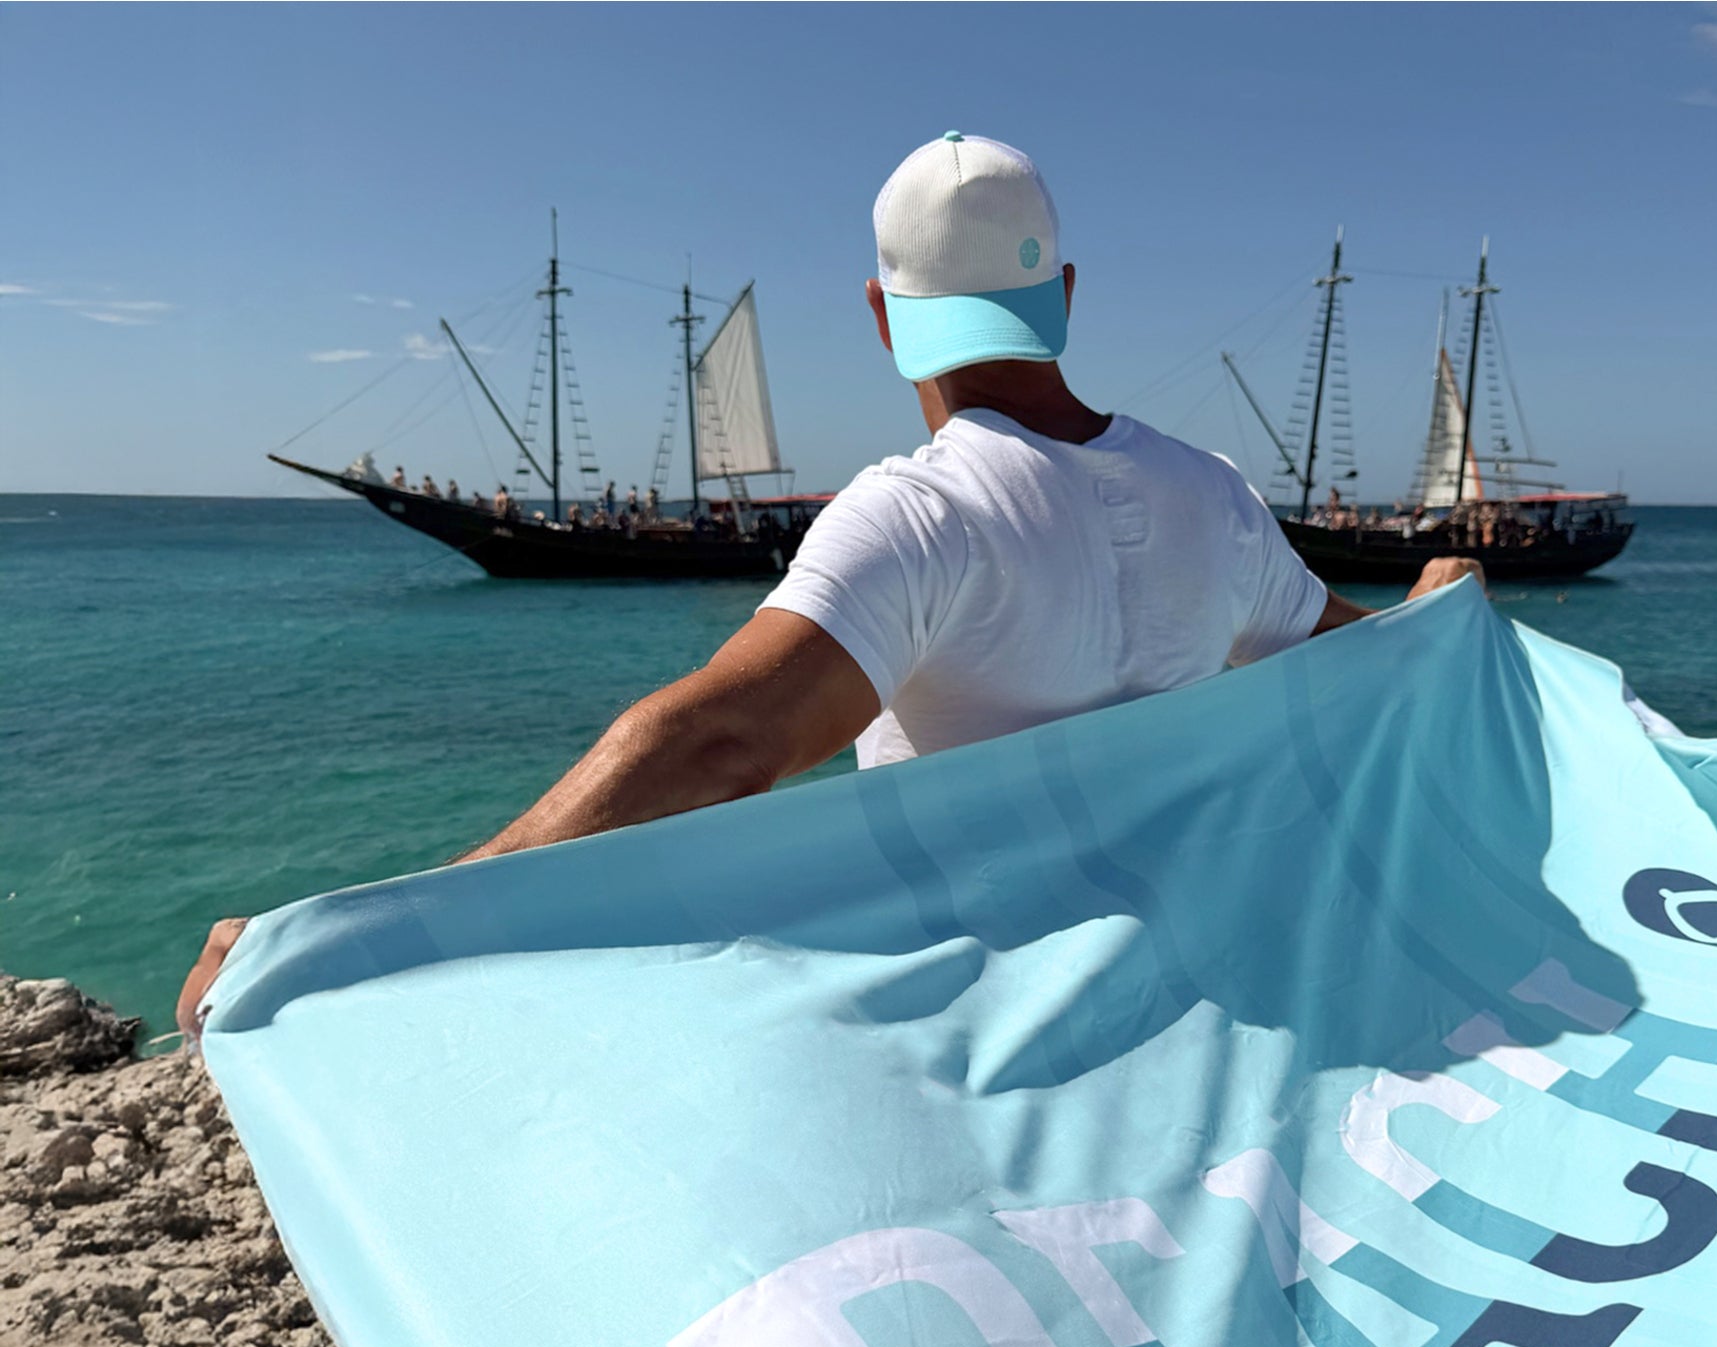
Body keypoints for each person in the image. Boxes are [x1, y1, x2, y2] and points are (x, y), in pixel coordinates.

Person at [178, 132, 1478, 1035]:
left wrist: (363, 932)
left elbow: (723, 743)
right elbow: (1360, 661)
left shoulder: (920, 513)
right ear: (1066, 295)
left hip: (988, 1024)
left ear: (881, 311)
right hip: (1198, 995)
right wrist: (1438, 604)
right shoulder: (1217, 497)